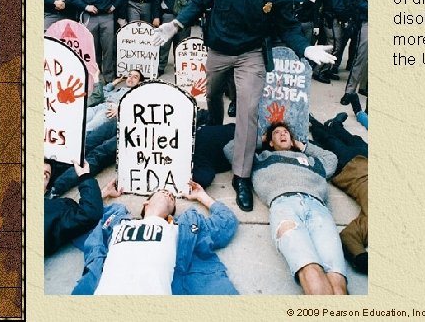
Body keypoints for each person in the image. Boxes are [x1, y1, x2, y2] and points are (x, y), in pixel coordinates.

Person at [153, 0, 336, 212]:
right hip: (219, 49)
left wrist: (306, 49)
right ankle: (213, 134)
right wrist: (176, 23)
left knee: (248, 110)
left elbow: (287, 26)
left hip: (251, 53)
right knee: (212, 97)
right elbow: (200, 2)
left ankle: (241, 175)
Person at [224, 122, 346, 294]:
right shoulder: (261, 158)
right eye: (276, 133)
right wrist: (261, 139)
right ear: (270, 141)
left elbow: (331, 159)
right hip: (285, 205)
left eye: (286, 132)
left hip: (318, 206)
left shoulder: (311, 161)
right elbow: (232, 149)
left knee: (337, 277)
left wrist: (303, 147)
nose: (282, 134)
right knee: (309, 267)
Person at [72, 180, 239, 295]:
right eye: (162, 192)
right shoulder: (117, 222)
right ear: (146, 203)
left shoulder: (181, 227)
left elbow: (226, 223)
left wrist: (203, 196)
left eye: (172, 198)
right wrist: (103, 194)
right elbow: (79, 221)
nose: (169, 194)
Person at [309, 114, 368, 274]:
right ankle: (335, 124)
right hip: (367, 156)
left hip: (350, 168)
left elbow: (349, 237)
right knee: (354, 139)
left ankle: (312, 122)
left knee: (329, 141)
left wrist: (362, 260)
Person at [44, 159, 102, 256]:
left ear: (45, 189)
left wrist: (85, 176)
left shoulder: (55, 210)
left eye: (45, 175)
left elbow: (89, 212)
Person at [152, 0, 194, 76]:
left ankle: (180, 66)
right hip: (168, 16)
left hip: (184, 17)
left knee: (182, 44)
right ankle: (160, 67)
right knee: (164, 44)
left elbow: (193, 0)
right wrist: (156, 17)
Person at [313, 0, 350, 84]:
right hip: (333, 20)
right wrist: (344, 18)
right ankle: (319, 72)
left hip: (331, 19)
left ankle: (325, 70)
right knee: (333, 46)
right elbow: (338, 6)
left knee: (333, 45)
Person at [341, 0, 368, 114]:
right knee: (362, 56)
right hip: (370, 21)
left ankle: (364, 87)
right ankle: (350, 91)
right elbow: (357, 0)